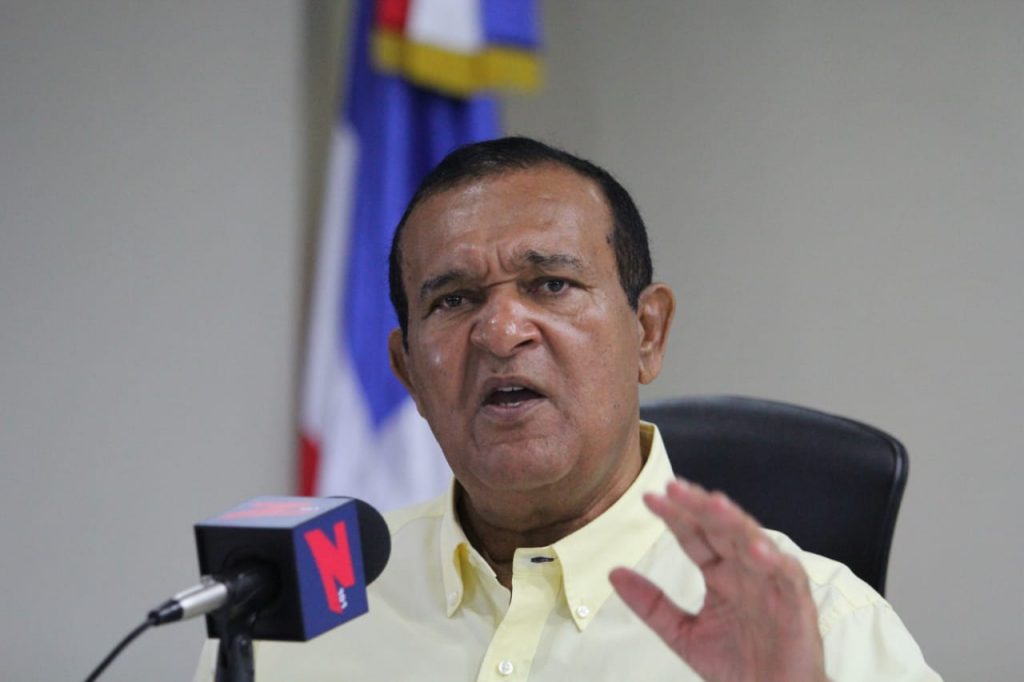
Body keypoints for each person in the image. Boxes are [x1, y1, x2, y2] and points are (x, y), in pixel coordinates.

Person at [195, 137, 940, 681]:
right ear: (409, 374)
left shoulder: (822, 631)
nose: (500, 331)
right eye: (454, 300)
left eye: (550, 284)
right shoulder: (288, 614)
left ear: (647, 333)